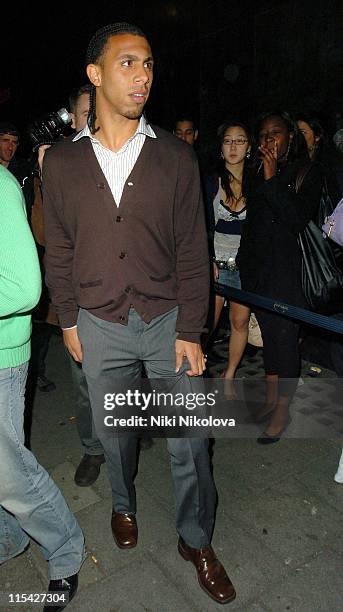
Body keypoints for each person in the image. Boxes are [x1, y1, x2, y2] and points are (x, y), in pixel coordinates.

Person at [43, 22, 236, 605]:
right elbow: (61, 249)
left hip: (165, 323)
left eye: (148, 64)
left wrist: (192, 329)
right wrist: (70, 321)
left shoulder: (175, 158)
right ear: (95, 75)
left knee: (190, 440)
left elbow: (192, 252)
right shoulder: (63, 166)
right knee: (115, 435)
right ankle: (123, 505)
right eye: (128, 63)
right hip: (99, 325)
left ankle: (195, 538)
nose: (143, 76)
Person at [0, 165, 85, 611]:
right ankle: (8, 538)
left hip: (2, 355)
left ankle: (67, 550)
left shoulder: (0, 184)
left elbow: (25, 287)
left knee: (10, 472)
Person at [237, 110, 323, 443]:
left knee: (286, 343)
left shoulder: (307, 172)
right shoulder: (256, 172)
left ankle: (283, 411)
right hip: (259, 272)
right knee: (270, 342)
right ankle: (271, 401)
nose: (268, 139)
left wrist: (273, 179)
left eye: (276, 133)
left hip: (288, 275)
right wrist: (245, 266)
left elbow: (295, 220)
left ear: (290, 137)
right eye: (263, 134)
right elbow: (254, 225)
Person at [206, 120, 252, 395]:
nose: (233, 146)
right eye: (228, 140)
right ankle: (192, 374)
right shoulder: (210, 181)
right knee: (206, 324)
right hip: (214, 265)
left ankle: (229, 376)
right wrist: (206, 259)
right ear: (221, 147)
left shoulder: (258, 182)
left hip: (242, 267)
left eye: (240, 140)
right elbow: (198, 222)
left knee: (239, 322)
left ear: (249, 147)